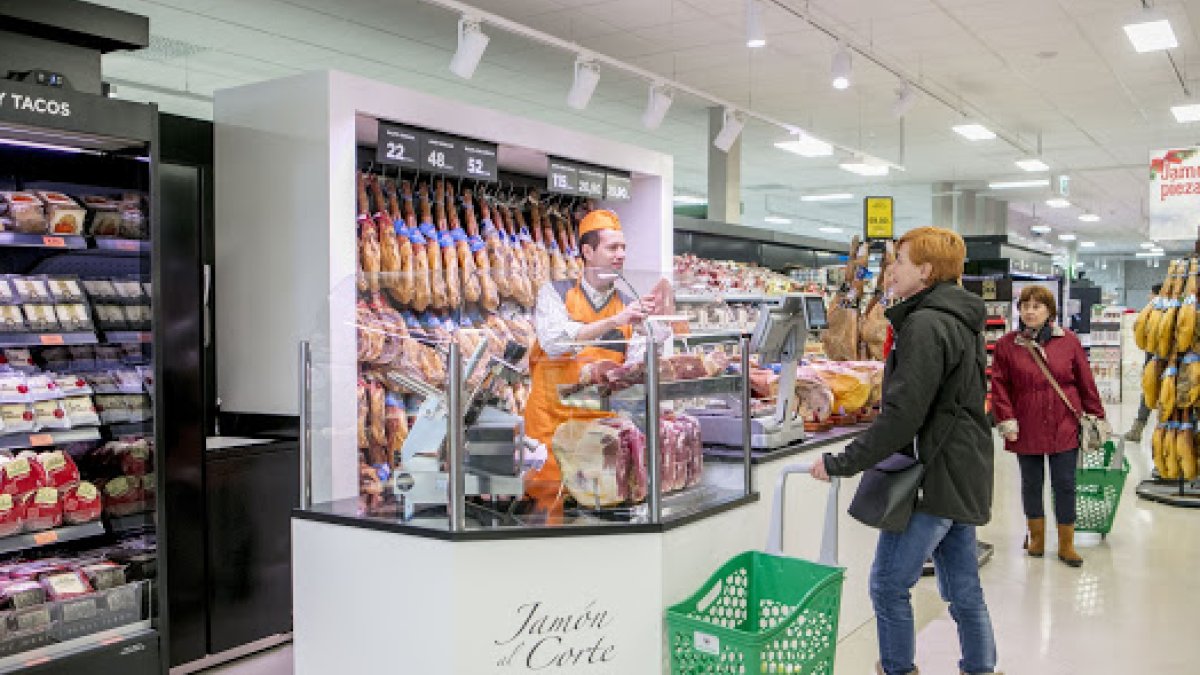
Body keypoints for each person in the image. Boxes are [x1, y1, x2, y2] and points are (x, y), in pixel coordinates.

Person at [811, 227, 998, 675]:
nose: (891, 270)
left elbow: (902, 417)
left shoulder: (925, 325)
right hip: (963, 467)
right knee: (964, 590)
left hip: (931, 474)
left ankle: (897, 669)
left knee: (888, 585)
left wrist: (842, 462)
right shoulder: (961, 319)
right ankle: (981, 668)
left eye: (900, 260)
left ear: (926, 271)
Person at [522, 209, 658, 511]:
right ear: (587, 251)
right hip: (550, 430)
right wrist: (613, 321)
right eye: (612, 247)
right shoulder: (554, 294)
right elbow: (555, 343)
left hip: (601, 437)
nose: (621, 254)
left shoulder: (626, 303)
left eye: (623, 247)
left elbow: (634, 368)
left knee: (595, 521)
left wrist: (653, 332)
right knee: (548, 518)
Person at [990, 285, 1107, 567]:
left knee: (1065, 483)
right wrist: (1006, 420)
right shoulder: (1007, 345)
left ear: (1050, 311)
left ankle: (1067, 543)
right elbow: (1000, 386)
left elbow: (1084, 380)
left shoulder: (1068, 341)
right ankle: (1037, 539)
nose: (1030, 312)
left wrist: (1096, 414)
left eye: (1037, 306)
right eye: (1025, 306)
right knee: (1031, 483)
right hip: (1025, 422)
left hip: (1063, 421)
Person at [1124, 283, 1163, 442]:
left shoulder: (1154, 311)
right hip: (1158, 361)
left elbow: (1138, 329)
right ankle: (1137, 431)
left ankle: (1138, 431)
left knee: (1149, 395)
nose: (1149, 296)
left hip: (1155, 361)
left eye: (1151, 293)